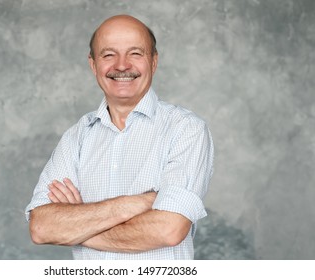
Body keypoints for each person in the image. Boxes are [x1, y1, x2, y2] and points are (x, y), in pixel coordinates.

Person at [25, 14, 214, 260]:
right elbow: (41, 227)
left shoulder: (186, 130)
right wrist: (137, 203)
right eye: (108, 55)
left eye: (135, 53)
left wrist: (77, 226)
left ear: (153, 62)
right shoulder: (76, 138)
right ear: (93, 65)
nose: (122, 65)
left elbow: (169, 229)